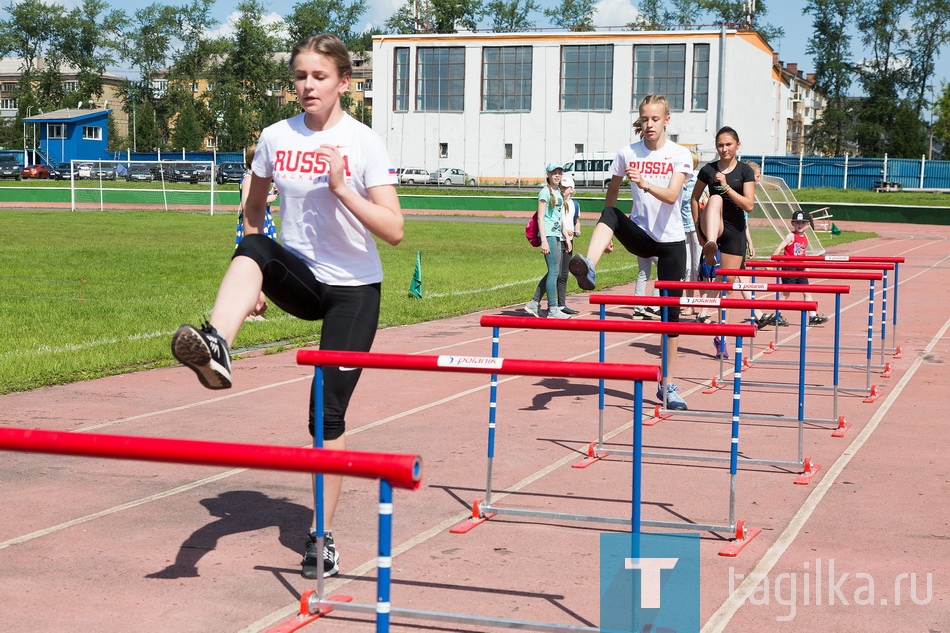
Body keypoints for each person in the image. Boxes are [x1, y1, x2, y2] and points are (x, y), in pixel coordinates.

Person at [170, 34, 404, 580]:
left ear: (344, 82)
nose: (307, 87)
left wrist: (344, 189)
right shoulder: (275, 138)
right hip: (301, 281)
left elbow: (394, 230)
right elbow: (253, 218)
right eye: (300, 77)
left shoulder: (364, 141)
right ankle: (218, 345)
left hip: (353, 290)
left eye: (319, 77)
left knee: (326, 416)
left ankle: (321, 537)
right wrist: (252, 284)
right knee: (252, 248)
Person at [568, 94, 693, 410]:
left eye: (655, 119)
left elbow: (672, 194)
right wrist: (607, 232)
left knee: (671, 319)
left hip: (671, 243)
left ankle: (668, 386)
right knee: (609, 215)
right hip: (641, 234)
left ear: (666, 120)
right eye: (645, 119)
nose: (649, 124)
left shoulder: (680, 155)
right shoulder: (627, 153)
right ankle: (589, 265)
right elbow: (612, 192)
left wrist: (646, 183)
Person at [690, 127, 756, 358]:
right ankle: (710, 245)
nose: (724, 149)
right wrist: (699, 230)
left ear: (737, 144)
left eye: (728, 144)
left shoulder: (745, 171)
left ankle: (721, 336)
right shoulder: (708, 170)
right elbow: (694, 198)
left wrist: (727, 185)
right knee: (715, 197)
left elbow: (748, 205)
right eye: (720, 145)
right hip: (714, 225)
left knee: (725, 284)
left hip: (735, 230)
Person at [235, 146, 279, 321]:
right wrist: (267, 199)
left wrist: (271, 194)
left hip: (264, 223)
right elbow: (247, 204)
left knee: (263, 269)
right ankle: (248, 310)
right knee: (252, 268)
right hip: (252, 225)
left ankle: (256, 307)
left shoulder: (258, 179)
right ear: (253, 160)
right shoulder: (248, 178)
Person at [525, 163, 570, 319]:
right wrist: (543, 240)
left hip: (556, 234)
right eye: (554, 173)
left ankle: (534, 303)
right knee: (554, 272)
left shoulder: (558, 192)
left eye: (560, 173)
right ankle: (552, 309)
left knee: (554, 272)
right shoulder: (545, 192)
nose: (557, 176)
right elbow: (540, 217)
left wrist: (566, 236)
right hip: (548, 235)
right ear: (548, 175)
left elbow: (559, 216)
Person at [773, 211, 829, 326]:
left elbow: (803, 253)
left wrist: (806, 266)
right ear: (793, 224)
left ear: (808, 225)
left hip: (800, 268)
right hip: (789, 269)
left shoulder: (805, 237)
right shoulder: (791, 236)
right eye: (797, 222)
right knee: (786, 294)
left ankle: (812, 316)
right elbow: (779, 248)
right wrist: (773, 262)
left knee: (807, 292)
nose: (800, 225)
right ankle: (776, 315)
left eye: (803, 223)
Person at [557, 176, 581, 315]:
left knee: (564, 274)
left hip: (569, 241)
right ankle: (553, 305)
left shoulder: (575, 205)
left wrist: (576, 231)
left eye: (565, 188)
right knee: (556, 273)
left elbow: (576, 220)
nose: (563, 189)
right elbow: (559, 222)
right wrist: (566, 234)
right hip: (559, 239)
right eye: (562, 187)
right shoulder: (558, 202)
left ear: (572, 190)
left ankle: (561, 304)